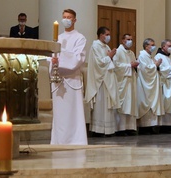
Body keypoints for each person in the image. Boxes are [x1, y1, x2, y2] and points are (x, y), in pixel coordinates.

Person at [50, 9, 87, 145]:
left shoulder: (80, 38)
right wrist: (53, 62)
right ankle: (59, 140)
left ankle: (75, 140)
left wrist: (60, 60)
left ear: (74, 20)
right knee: (60, 114)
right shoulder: (58, 38)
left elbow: (78, 58)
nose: (66, 19)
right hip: (58, 79)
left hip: (72, 80)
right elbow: (52, 56)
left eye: (69, 17)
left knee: (72, 113)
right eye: (64, 17)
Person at [85, 26, 120, 136]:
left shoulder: (106, 46)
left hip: (107, 79)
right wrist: (109, 56)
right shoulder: (95, 46)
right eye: (106, 34)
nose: (108, 36)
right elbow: (99, 63)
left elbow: (108, 61)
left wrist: (111, 56)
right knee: (101, 104)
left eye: (109, 34)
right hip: (100, 80)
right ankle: (99, 130)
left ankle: (108, 129)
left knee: (107, 104)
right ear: (100, 35)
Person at [113, 33, 139, 135]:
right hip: (122, 82)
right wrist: (129, 65)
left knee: (130, 103)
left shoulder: (131, 53)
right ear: (123, 41)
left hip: (130, 81)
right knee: (123, 104)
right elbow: (116, 66)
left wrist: (135, 65)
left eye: (131, 39)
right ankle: (121, 128)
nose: (130, 41)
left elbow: (133, 64)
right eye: (128, 39)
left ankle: (130, 127)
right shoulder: (118, 52)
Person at [137, 38, 164, 133]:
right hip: (146, 85)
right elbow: (145, 70)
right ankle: (145, 127)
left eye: (154, 44)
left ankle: (152, 126)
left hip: (152, 84)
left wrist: (157, 65)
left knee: (153, 103)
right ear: (146, 46)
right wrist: (155, 64)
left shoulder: (149, 56)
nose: (154, 47)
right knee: (147, 102)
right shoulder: (142, 56)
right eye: (152, 45)